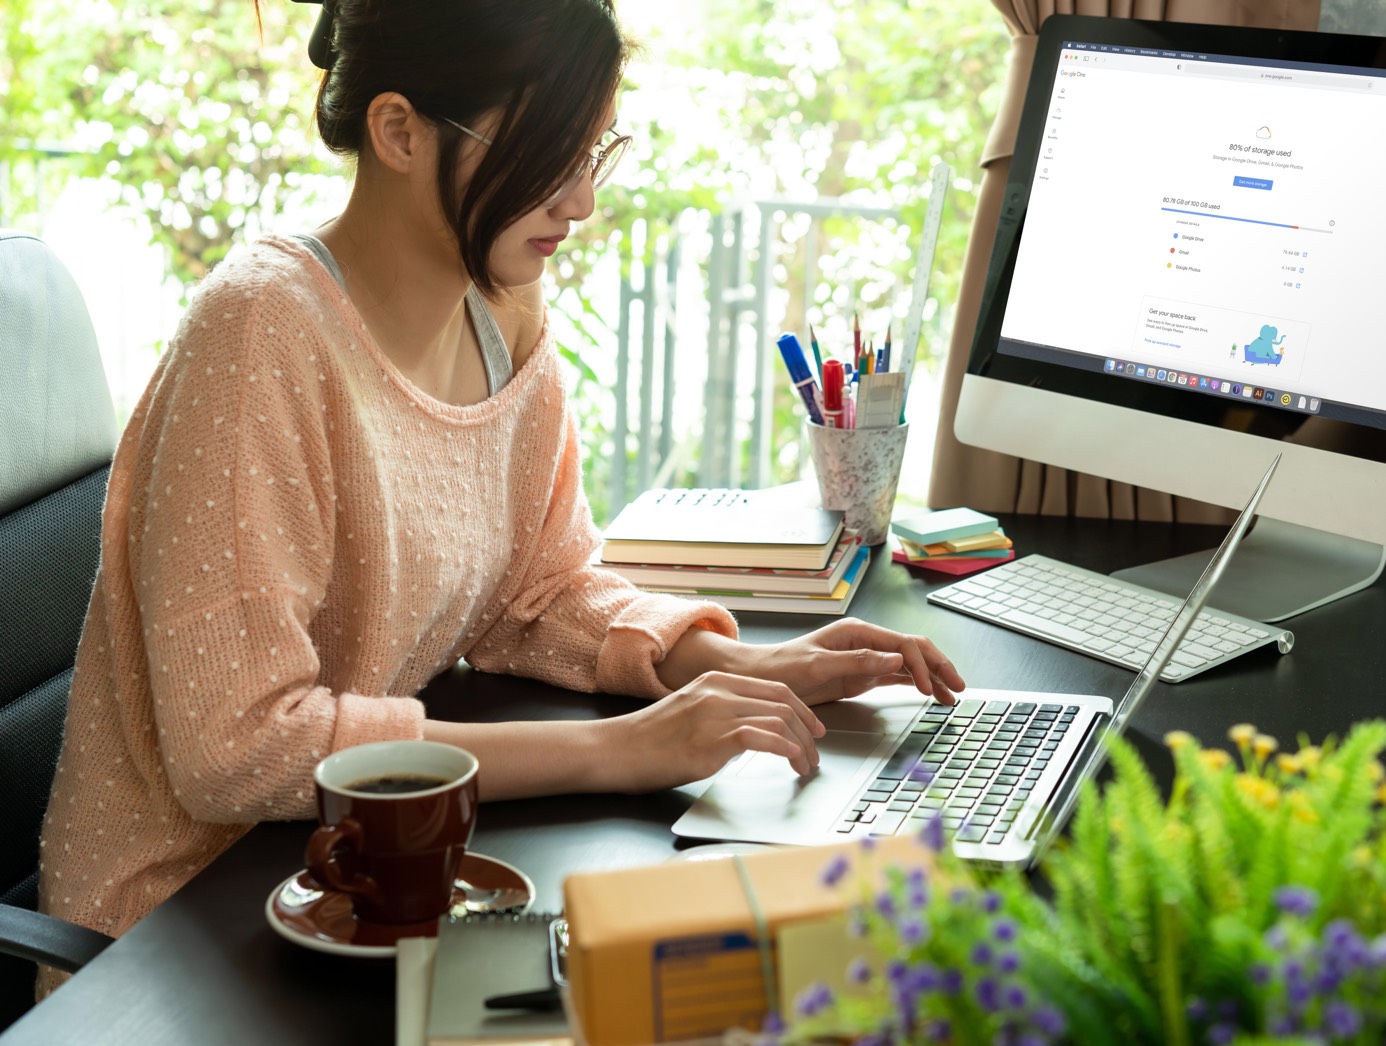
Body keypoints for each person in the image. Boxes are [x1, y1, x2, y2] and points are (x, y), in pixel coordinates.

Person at [36, 0, 964, 995]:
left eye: (591, 153)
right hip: (176, 940)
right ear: (399, 131)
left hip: (370, 877)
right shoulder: (259, 333)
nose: (581, 201)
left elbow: (539, 589)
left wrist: (738, 666)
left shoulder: (501, 314)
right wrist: (619, 749)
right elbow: (237, 749)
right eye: (548, 154)